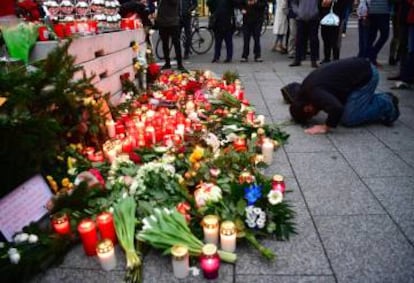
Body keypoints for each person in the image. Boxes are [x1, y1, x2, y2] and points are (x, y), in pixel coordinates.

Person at [288, 57, 400, 134]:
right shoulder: (304, 91)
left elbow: (336, 108)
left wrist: (326, 127)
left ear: (307, 108)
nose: (315, 115)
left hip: (367, 76)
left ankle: (386, 103)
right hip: (356, 74)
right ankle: (368, 100)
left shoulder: (315, 93)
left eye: (311, 115)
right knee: (341, 112)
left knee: (349, 118)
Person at [156, 0, 187, 72]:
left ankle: (179, 64)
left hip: (173, 23)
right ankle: (167, 63)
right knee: (165, 44)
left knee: (176, 44)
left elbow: (174, 2)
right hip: (163, 23)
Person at [289, 0, 320, 68]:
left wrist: (316, 12)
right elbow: (293, 2)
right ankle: (297, 59)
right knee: (299, 39)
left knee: (313, 40)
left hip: (313, 18)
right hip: (301, 18)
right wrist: (298, 12)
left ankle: (314, 60)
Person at [319, 0, 347, 64]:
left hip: (336, 17)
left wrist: (331, 1)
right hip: (325, 17)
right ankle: (326, 58)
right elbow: (320, 4)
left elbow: (344, 4)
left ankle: (336, 58)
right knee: (325, 39)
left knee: (335, 40)